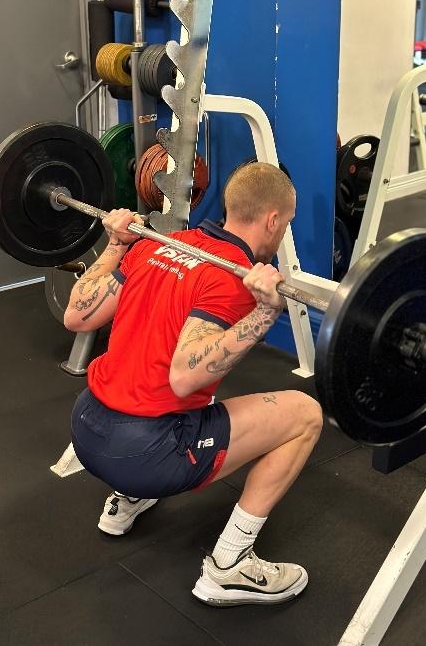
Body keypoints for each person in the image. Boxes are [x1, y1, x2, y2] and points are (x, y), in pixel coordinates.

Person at [65, 162, 323, 607]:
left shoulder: (164, 245)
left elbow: (78, 315)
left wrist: (115, 244)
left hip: (87, 427)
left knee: (161, 377)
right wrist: (265, 312)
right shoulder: (233, 273)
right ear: (273, 220)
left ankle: (126, 500)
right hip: (146, 451)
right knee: (305, 414)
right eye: (288, 223)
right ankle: (230, 565)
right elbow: (185, 377)